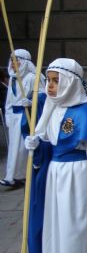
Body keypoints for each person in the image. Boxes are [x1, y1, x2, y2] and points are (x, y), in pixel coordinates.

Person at [24, 58, 87, 253]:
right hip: (54, 175)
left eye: (55, 81)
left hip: (78, 177)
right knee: (56, 223)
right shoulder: (50, 108)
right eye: (48, 80)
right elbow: (48, 147)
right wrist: (36, 148)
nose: (49, 86)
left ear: (70, 82)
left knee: (76, 227)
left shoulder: (85, 113)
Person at [1, 50, 41, 187]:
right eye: (11, 60)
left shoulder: (32, 77)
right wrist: (8, 116)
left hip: (26, 117)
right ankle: (12, 176)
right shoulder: (13, 78)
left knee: (24, 148)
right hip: (14, 117)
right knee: (14, 148)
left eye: (15, 60)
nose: (13, 63)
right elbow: (9, 101)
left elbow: (43, 96)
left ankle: (23, 174)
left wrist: (31, 101)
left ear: (24, 62)